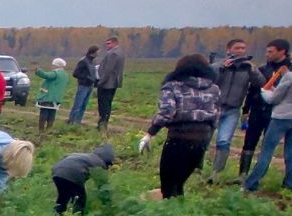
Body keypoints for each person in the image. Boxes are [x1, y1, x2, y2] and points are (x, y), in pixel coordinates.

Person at [244, 45, 292, 193]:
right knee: (291, 152)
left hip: (282, 117)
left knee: (267, 151)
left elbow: (273, 99)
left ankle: (251, 183)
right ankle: (290, 184)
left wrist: (264, 92)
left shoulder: (291, 76)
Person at [142, 53, 221, 198]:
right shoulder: (214, 88)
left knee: (168, 183)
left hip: (179, 138)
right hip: (202, 138)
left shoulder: (173, 86)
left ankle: (169, 215)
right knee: (180, 182)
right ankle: (179, 211)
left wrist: (150, 133)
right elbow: (216, 115)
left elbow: (167, 112)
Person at [238, 38, 291, 177]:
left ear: (282, 52)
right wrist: (246, 109)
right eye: (266, 51)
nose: (267, 54)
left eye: (270, 51)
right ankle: (242, 175)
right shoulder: (262, 68)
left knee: (267, 146)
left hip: (275, 113)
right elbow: (252, 90)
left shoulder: (290, 71)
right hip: (257, 111)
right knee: (249, 142)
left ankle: (257, 176)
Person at [209, 39, 259, 176]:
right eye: (237, 48)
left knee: (224, 141)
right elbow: (209, 82)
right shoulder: (217, 66)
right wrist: (222, 69)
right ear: (228, 50)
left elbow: (259, 84)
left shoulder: (247, 68)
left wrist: (253, 71)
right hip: (214, 107)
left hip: (232, 109)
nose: (241, 51)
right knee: (205, 138)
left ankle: (216, 174)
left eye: (243, 48)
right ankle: (197, 170)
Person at [51, 143, 116, 215]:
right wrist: (108, 201)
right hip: (74, 173)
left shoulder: (84, 156)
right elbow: (102, 186)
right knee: (80, 199)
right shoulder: (100, 163)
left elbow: (65, 158)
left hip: (57, 172)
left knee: (63, 197)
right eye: (109, 164)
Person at [33, 57, 70, 136]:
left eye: (53, 65)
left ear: (56, 65)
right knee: (52, 114)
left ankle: (41, 131)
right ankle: (49, 130)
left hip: (48, 97)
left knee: (44, 114)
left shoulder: (55, 73)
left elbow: (46, 75)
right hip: (57, 98)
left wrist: (38, 70)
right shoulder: (65, 75)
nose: (52, 66)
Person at [95, 36, 125, 133]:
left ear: (114, 43)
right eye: (106, 44)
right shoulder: (120, 52)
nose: (106, 45)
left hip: (107, 83)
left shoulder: (113, 53)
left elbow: (108, 69)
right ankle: (103, 123)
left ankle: (102, 124)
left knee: (104, 104)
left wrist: (101, 81)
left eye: (109, 43)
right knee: (107, 103)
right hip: (114, 82)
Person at [67, 45, 99, 125]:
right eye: (98, 51)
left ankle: (78, 121)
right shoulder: (83, 61)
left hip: (90, 86)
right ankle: (72, 121)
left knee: (84, 105)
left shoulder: (93, 62)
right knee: (78, 104)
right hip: (83, 85)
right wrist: (86, 78)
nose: (98, 53)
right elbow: (75, 73)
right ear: (93, 52)